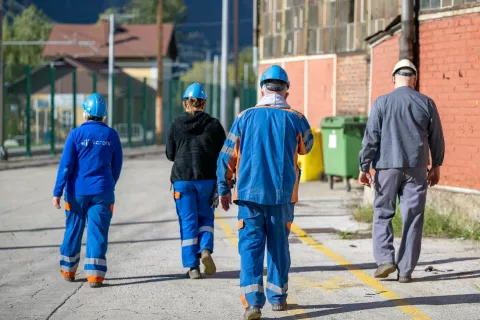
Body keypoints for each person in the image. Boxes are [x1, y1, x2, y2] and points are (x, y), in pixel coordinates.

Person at [217, 65, 313, 320]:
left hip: (249, 196)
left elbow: (226, 157)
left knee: (250, 248)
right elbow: (308, 148)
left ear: (262, 89)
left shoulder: (244, 117)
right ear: (286, 91)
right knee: (279, 247)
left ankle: (252, 303)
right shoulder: (296, 117)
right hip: (282, 197)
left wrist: (224, 188)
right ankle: (278, 298)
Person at [358, 59, 445, 283]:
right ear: (414, 79)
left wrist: (364, 166)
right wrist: (436, 166)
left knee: (383, 213)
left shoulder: (382, 102)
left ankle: (385, 259)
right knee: (413, 218)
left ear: (394, 78)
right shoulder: (426, 102)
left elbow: (371, 137)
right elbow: (436, 138)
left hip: (386, 167)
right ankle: (405, 270)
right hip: (416, 168)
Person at [52, 93, 123, 288]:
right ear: (104, 116)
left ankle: (68, 270)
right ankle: (95, 277)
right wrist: (109, 184)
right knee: (98, 232)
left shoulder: (75, 135)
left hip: (76, 193)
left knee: (73, 229)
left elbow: (66, 166)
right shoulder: (111, 135)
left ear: (85, 114)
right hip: (103, 192)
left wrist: (57, 191)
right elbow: (117, 166)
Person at [166, 83, 226, 279]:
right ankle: (206, 249)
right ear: (204, 103)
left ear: (185, 103)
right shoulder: (214, 125)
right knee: (206, 218)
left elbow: (170, 154)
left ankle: (192, 267)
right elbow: (224, 153)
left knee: (188, 221)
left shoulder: (176, 124)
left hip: (182, 181)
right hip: (207, 180)